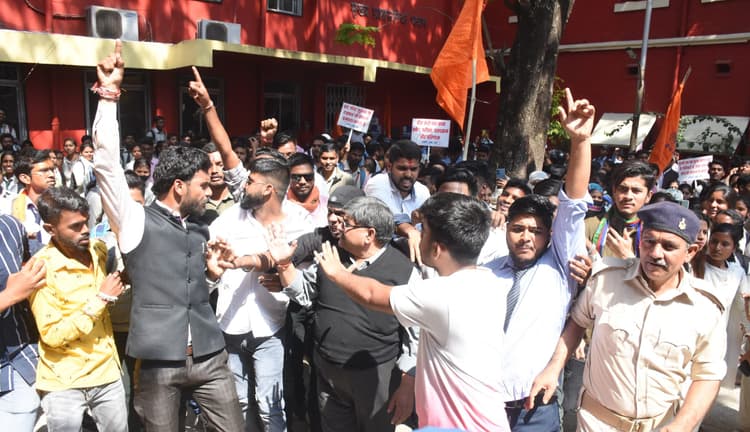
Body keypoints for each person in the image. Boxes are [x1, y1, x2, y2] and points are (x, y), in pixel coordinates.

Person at [92, 41, 243, 431]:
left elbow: (193, 284)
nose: (210, 192)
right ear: (178, 186)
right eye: (203, 186)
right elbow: (106, 166)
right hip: (159, 360)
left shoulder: (203, 224)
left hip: (210, 355)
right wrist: (108, 95)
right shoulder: (135, 221)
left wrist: (211, 275)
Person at [313, 193, 510, 431]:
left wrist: (337, 273)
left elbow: (372, 294)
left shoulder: (440, 295)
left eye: (423, 232)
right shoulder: (489, 282)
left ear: (436, 249)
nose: (416, 236)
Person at [529, 201, 727, 432]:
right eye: (649, 242)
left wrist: (682, 425)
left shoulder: (705, 307)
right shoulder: (606, 279)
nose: (656, 253)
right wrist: (553, 369)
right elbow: (577, 323)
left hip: (662, 426)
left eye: (668, 246)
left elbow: (708, 375)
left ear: (690, 252)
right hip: (597, 423)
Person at [483, 88, 594, 430]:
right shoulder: (486, 273)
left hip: (534, 409)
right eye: (518, 228)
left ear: (549, 236)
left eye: (536, 231)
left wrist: (580, 142)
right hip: (481, 404)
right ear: (505, 229)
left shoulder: (559, 267)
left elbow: (573, 205)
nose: (526, 237)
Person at [271, 196, 420, 432]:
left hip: (377, 377)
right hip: (328, 372)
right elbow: (304, 293)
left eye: (347, 223)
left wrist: (408, 383)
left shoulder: (404, 271)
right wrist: (284, 264)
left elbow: (415, 337)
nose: (339, 226)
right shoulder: (331, 257)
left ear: (369, 235)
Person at [30, 187, 127, 431]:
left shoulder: (98, 250)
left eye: (86, 222)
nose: (85, 230)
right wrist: (101, 299)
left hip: (107, 374)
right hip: (64, 381)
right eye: (75, 226)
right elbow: (52, 334)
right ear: (50, 229)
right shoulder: (40, 270)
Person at [0, 214, 46, 431]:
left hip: (19, 363)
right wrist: (9, 295)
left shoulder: (8, 226)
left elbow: (35, 263)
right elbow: (16, 290)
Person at [364, 139, 430, 265]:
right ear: (389, 167)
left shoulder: (423, 192)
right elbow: (388, 219)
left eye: (413, 169)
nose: (408, 175)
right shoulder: (377, 183)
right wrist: (410, 230)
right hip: (378, 257)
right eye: (402, 168)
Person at [585, 160, 656, 259]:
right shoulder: (589, 226)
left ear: (648, 196)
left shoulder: (654, 234)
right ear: (614, 191)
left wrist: (628, 258)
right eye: (623, 189)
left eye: (636, 191)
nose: (628, 196)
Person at [11, 150, 56, 255]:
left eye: (52, 170)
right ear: (25, 178)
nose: (52, 175)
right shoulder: (9, 208)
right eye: (44, 170)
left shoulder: (63, 206)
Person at [197, 142, 235, 225]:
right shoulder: (195, 201)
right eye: (209, 166)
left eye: (220, 165)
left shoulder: (239, 198)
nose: (214, 171)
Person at [287, 152, 328, 227]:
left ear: (314, 177)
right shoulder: (280, 208)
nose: (302, 182)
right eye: (296, 177)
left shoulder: (327, 206)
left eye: (308, 177)